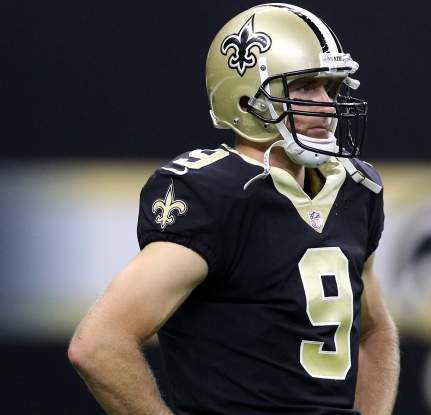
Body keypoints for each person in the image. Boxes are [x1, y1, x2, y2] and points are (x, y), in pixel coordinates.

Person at [67, 4, 399, 414]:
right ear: (245, 99)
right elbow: (99, 342)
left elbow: (374, 330)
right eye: (304, 88)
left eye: (330, 88)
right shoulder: (216, 194)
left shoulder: (354, 189)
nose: (326, 106)